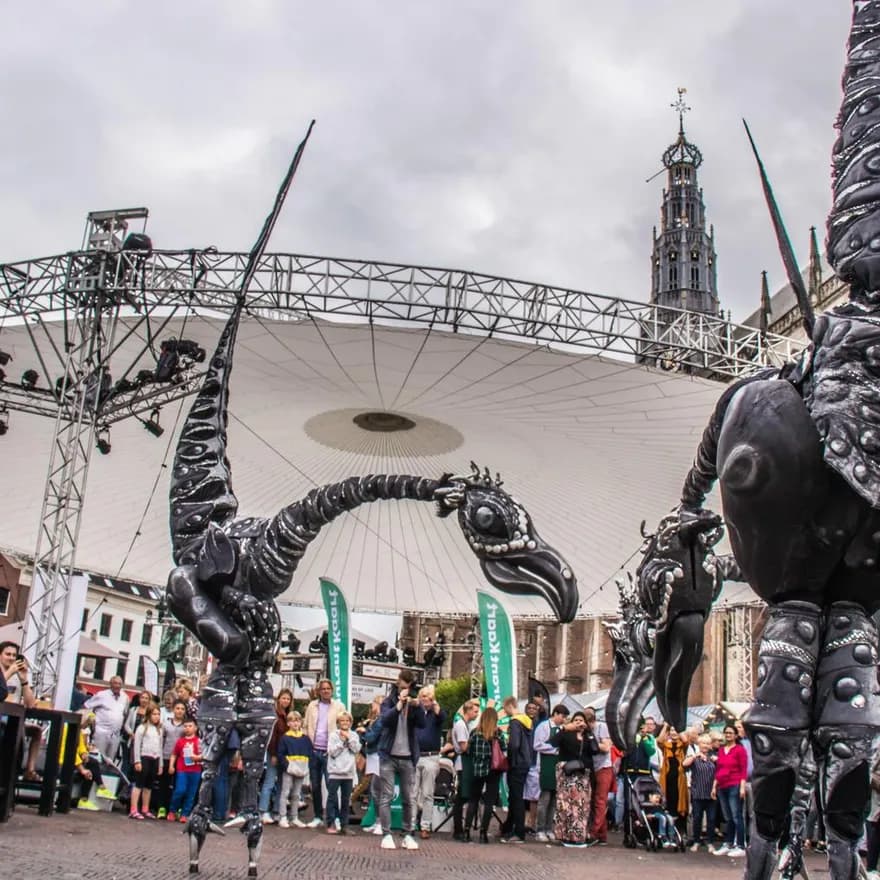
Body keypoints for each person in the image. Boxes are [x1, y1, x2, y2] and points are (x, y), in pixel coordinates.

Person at [376, 669, 424, 851]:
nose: (403, 687)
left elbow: (422, 724)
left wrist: (417, 706)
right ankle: (386, 833)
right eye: (401, 684)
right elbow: (384, 720)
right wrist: (398, 705)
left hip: (407, 756)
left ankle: (407, 834)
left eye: (407, 685)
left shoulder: (413, 701)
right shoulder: (389, 701)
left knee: (408, 798)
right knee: (386, 796)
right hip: (388, 755)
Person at [304, 678, 347, 828]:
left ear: (332, 690)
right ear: (319, 691)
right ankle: (317, 816)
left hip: (330, 753)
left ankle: (334, 816)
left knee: (331, 786)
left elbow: (344, 726)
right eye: (323, 689)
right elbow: (305, 725)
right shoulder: (312, 706)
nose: (326, 691)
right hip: (314, 750)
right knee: (315, 785)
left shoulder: (339, 706)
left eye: (328, 688)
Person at [550, 711, 597, 847]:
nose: (578, 722)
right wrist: (565, 728)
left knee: (580, 806)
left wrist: (588, 731)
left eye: (581, 720)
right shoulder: (566, 734)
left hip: (582, 775)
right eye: (576, 720)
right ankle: (564, 835)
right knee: (565, 805)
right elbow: (552, 742)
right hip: (566, 773)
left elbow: (595, 750)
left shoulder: (587, 736)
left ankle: (577, 837)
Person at [464, 706, 507, 844]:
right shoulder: (498, 733)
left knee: (473, 801)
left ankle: (466, 831)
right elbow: (504, 752)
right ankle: (483, 833)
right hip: (494, 771)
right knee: (489, 803)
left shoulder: (475, 733)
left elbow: (468, 751)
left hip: (477, 770)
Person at [0, 641, 40, 780]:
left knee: (36, 730)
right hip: (3, 718)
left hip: (13, 718)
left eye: (14, 655)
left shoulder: (18, 675)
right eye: (7, 654)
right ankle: (10, 772)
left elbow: (30, 705)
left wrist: (24, 680)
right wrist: (9, 673)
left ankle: (29, 769)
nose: (11, 658)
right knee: (16, 727)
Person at [500, 698, 536, 844]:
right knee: (517, 796)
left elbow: (514, 744)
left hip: (516, 763)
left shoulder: (515, 722)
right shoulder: (527, 721)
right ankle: (508, 828)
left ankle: (518, 832)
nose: (504, 712)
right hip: (525, 762)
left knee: (516, 797)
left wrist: (510, 758)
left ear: (510, 706)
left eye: (505, 708)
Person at [414, 684, 447, 839]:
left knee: (427, 793)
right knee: (413, 793)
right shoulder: (416, 714)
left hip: (431, 756)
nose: (425, 700)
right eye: (423, 697)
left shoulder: (436, 714)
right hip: (415, 756)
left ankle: (425, 825)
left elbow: (443, 717)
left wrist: (435, 706)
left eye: (428, 697)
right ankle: (411, 824)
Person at [533, 703, 569, 842]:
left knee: (554, 800)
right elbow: (537, 745)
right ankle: (540, 829)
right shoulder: (543, 727)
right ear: (555, 714)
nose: (564, 719)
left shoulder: (562, 729)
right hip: (545, 765)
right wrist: (553, 749)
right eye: (562, 716)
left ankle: (549, 828)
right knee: (545, 799)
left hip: (558, 765)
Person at [711, 723, 748, 858]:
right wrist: (714, 786)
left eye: (730, 733)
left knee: (736, 816)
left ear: (736, 735)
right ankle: (728, 843)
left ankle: (740, 845)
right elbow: (719, 769)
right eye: (726, 732)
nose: (728, 735)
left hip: (734, 784)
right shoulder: (721, 750)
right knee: (727, 818)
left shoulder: (739, 750)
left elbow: (743, 769)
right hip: (722, 785)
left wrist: (742, 787)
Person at [259, 688, 293, 823]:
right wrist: (273, 754)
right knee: (269, 781)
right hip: (274, 752)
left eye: (288, 699)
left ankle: (277, 810)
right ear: (278, 699)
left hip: (285, 754)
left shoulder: (289, 715)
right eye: (283, 698)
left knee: (282, 784)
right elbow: (272, 737)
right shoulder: (275, 715)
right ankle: (263, 810)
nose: (285, 701)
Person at [326, 712, 361, 835]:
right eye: (342, 721)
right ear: (338, 723)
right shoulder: (333, 735)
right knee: (332, 798)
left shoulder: (354, 735)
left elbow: (356, 749)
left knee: (346, 800)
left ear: (350, 723)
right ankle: (330, 822)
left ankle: (344, 825)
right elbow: (331, 752)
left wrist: (349, 739)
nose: (345, 723)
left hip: (348, 773)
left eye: (347, 721)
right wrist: (341, 742)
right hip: (335, 772)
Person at [451, 699, 480, 841]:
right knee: (462, 796)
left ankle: (459, 828)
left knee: (463, 796)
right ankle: (458, 829)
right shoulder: (461, 725)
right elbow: (463, 747)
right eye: (475, 711)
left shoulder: (464, 725)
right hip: (463, 763)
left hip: (464, 762)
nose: (477, 714)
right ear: (467, 711)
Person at [277, 710, 312, 828]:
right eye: (292, 721)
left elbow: (309, 753)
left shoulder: (305, 738)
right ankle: (282, 816)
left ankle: (294, 817)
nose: (295, 723)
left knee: (296, 794)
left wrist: (307, 767)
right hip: (290, 768)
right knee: (285, 792)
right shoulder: (285, 738)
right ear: (288, 723)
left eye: (297, 721)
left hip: (301, 768)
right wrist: (288, 766)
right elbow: (280, 754)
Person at [683, 732, 716, 851]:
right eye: (703, 743)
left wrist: (716, 759)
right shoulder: (695, 756)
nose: (705, 746)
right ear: (699, 744)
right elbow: (684, 764)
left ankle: (710, 842)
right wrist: (694, 756)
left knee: (711, 819)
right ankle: (696, 841)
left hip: (711, 793)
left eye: (707, 743)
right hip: (698, 792)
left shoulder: (713, 757)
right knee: (697, 817)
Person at [84, 675, 130, 762]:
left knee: (110, 761)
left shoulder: (125, 697)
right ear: (110, 684)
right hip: (101, 732)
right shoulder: (102, 695)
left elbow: (125, 714)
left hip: (115, 734)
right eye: (115, 683)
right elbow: (86, 706)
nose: (117, 686)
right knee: (97, 759)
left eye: (120, 684)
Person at [585, 707, 613, 845]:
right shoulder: (586, 730)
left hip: (604, 767)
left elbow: (607, 747)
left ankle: (594, 832)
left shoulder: (602, 727)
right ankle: (602, 835)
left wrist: (592, 742)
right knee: (594, 800)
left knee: (600, 800)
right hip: (593, 767)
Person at [130, 704, 163, 819]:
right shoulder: (142, 728)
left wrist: (160, 764)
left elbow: (160, 748)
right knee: (139, 784)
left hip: (155, 758)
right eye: (154, 714)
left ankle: (145, 808)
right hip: (144, 757)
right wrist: (137, 761)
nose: (156, 717)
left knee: (149, 786)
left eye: (158, 714)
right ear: (149, 715)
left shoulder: (159, 730)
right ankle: (133, 809)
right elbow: (137, 745)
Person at [168, 717, 203, 822]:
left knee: (191, 793)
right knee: (180, 790)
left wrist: (198, 757)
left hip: (195, 770)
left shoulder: (199, 741)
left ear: (195, 728)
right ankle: (172, 810)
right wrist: (171, 766)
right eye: (186, 726)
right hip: (182, 769)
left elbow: (204, 755)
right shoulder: (180, 741)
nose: (187, 728)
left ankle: (185, 813)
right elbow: (174, 754)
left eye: (190, 726)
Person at [357, 700, 384, 835]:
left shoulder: (381, 720)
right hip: (373, 756)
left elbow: (372, 737)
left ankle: (381, 823)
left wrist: (363, 732)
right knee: (373, 790)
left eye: (374, 703)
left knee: (377, 789)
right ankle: (377, 821)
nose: (372, 706)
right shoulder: (375, 720)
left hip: (378, 756)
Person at [157, 698, 187, 819]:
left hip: (180, 760)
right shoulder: (166, 724)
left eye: (182, 709)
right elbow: (161, 741)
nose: (180, 711)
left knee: (178, 786)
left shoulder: (186, 726)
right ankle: (161, 807)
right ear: (173, 710)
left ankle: (175, 809)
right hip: (166, 756)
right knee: (164, 784)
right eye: (178, 708)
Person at [656, 723, 689, 833]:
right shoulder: (666, 745)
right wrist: (666, 726)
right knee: (667, 801)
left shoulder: (682, 746)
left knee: (679, 802)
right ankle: (667, 829)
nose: (674, 733)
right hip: (667, 778)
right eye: (672, 731)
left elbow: (685, 740)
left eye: (676, 731)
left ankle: (680, 830)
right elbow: (659, 741)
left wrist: (678, 724)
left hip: (679, 779)